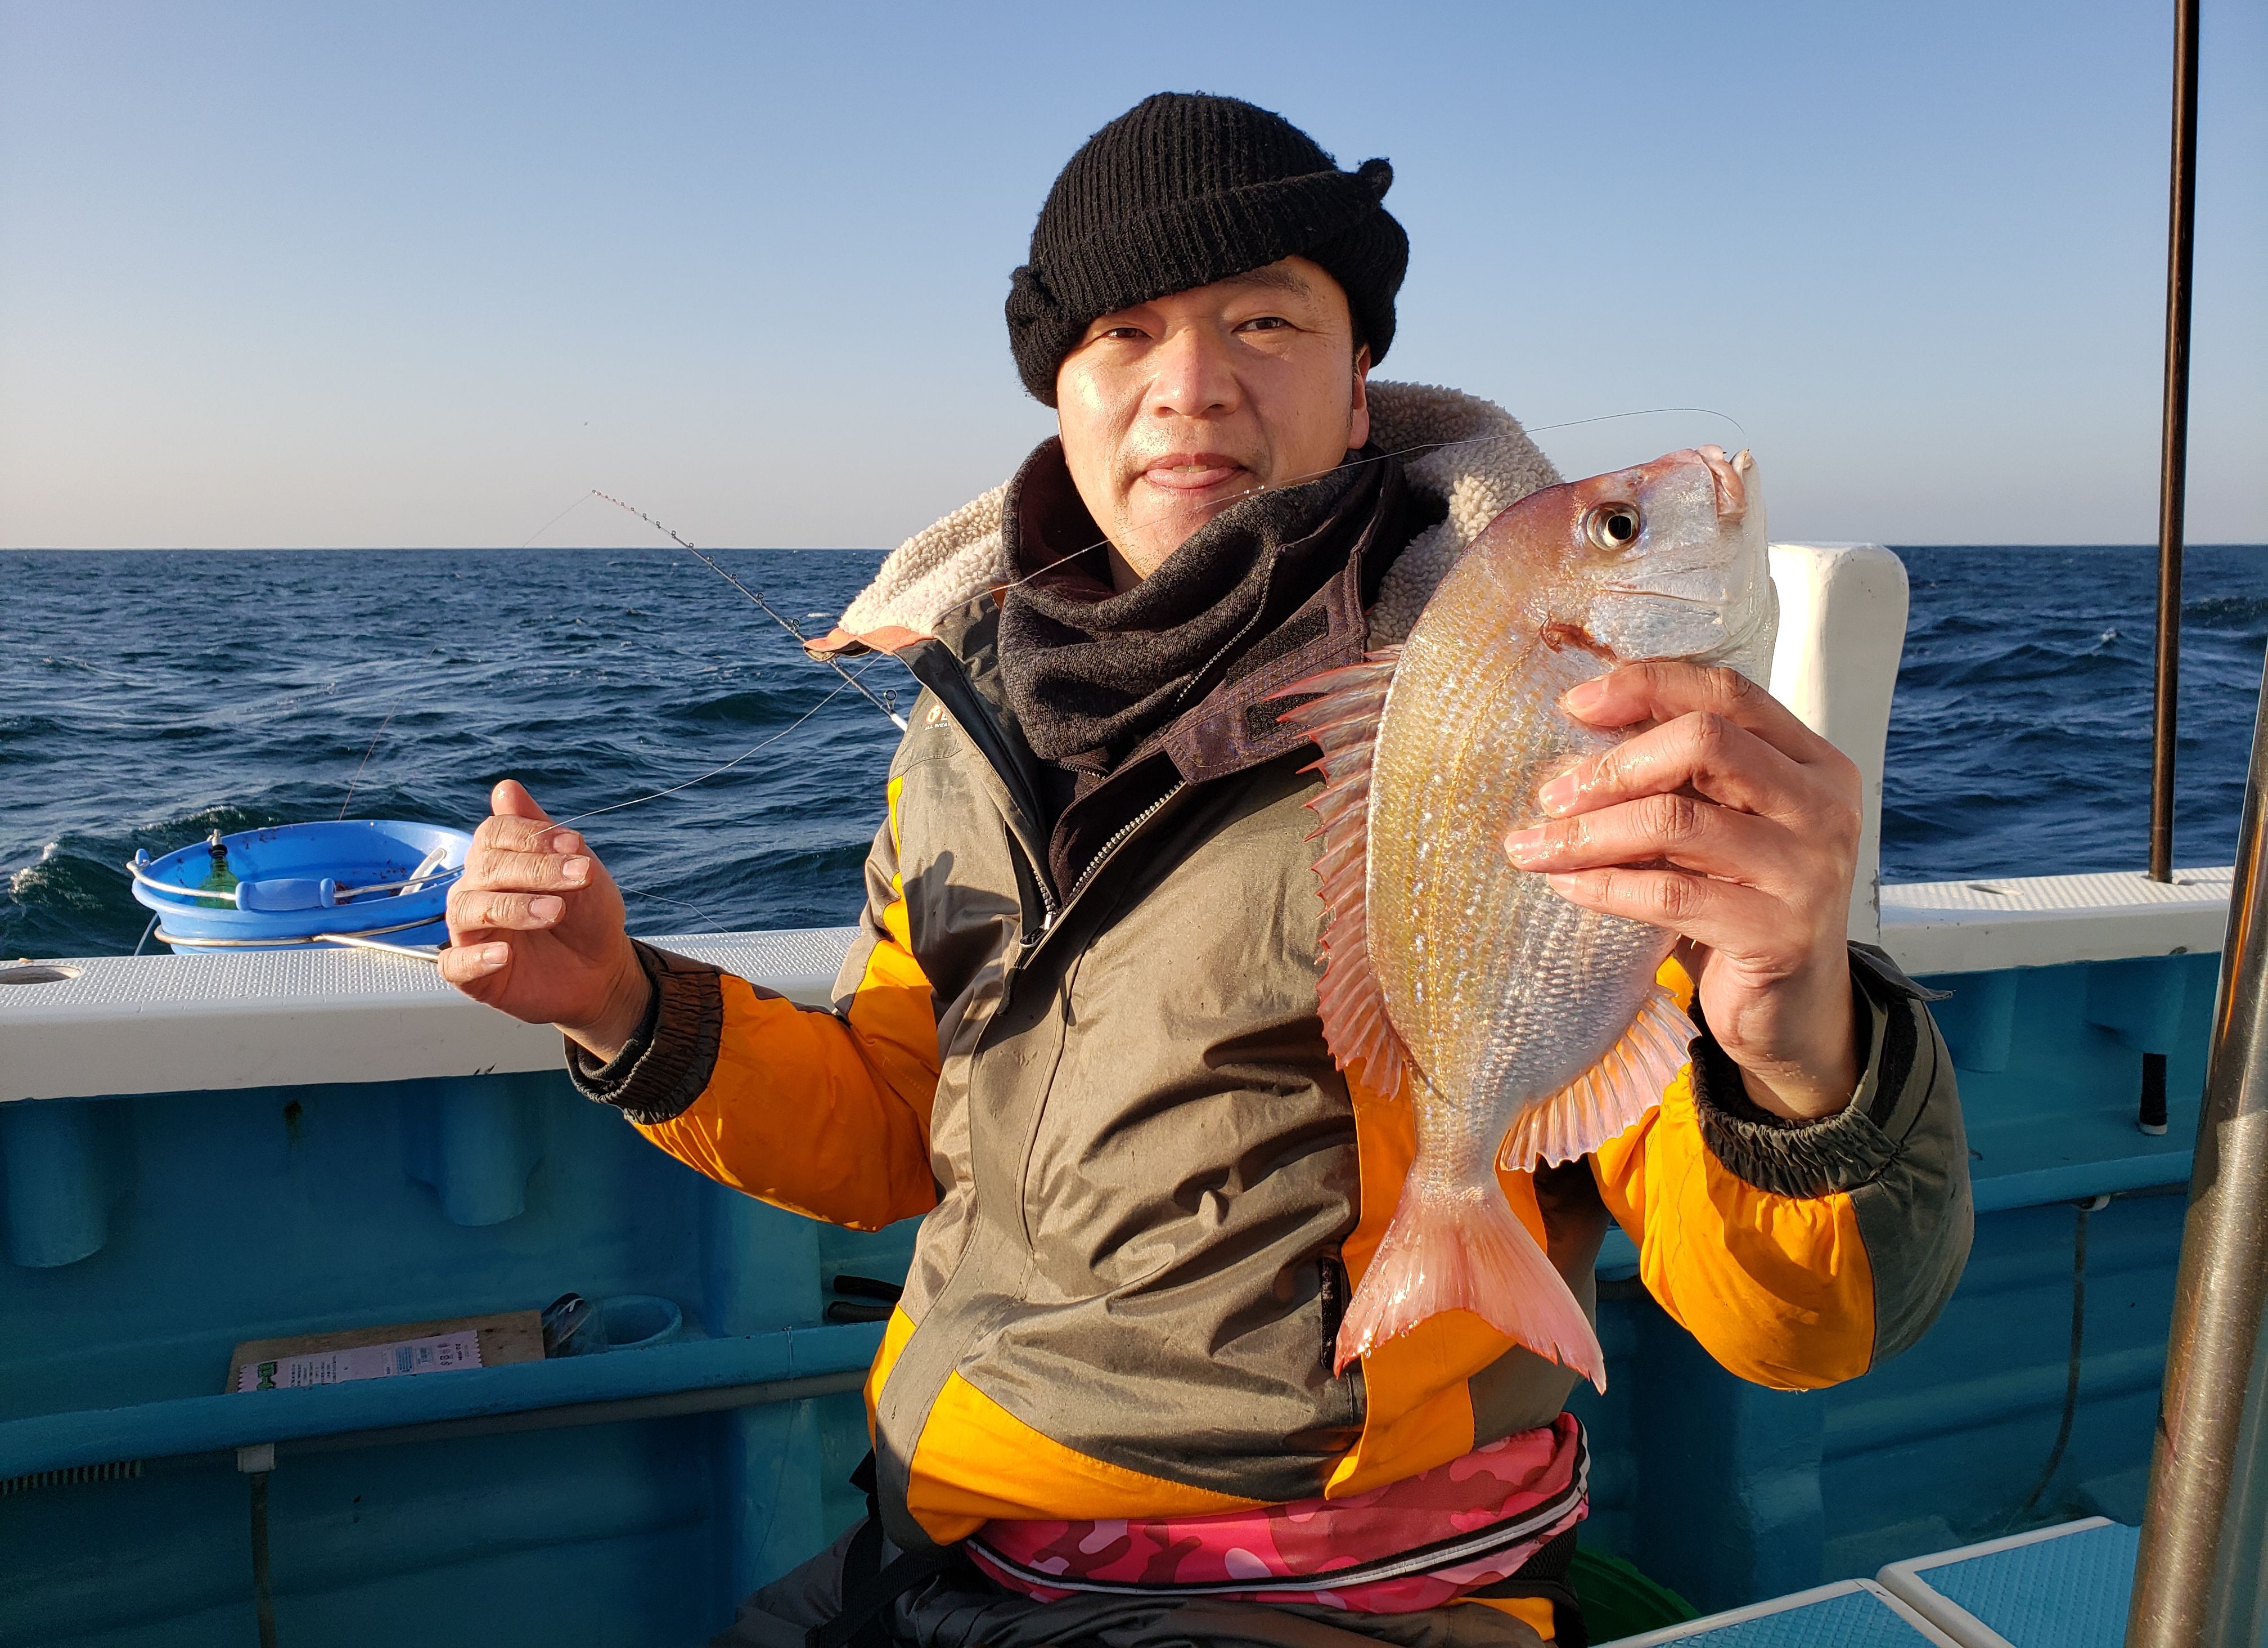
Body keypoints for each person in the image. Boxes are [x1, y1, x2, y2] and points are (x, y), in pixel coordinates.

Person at [441, 93, 1970, 1648]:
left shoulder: (1550, 717)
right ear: (1061, 392)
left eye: (1265, 320)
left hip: (1340, 1589)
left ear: (1360, 384)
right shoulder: (971, 711)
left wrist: (1798, 1047)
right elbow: (907, 1128)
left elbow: (1802, 1328)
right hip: (953, 1534)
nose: (1191, 386)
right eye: (1124, 332)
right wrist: (622, 1006)